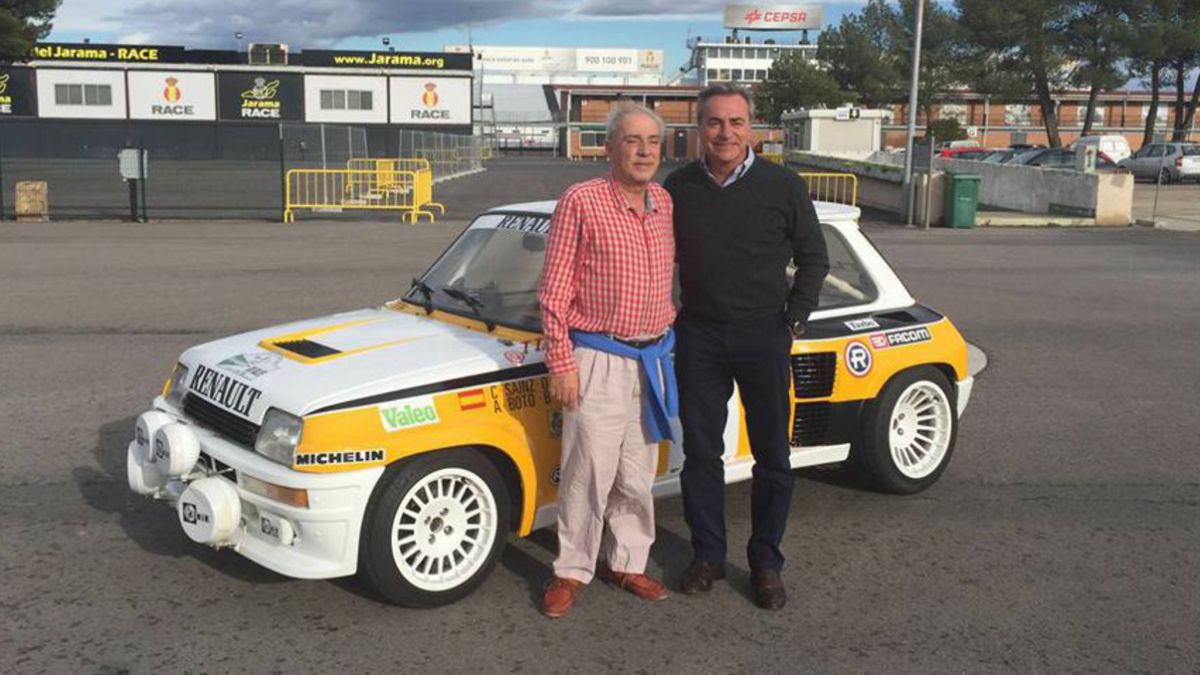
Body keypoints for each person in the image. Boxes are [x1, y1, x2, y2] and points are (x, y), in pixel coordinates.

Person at [663, 83, 829, 610]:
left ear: (751, 128)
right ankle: (708, 555)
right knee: (702, 455)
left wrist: (792, 321)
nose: (725, 133)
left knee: (772, 458)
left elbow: (814, 259)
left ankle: (765, 563)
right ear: (699, 129)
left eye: (735, 123)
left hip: (764, 334)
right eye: (714, 123)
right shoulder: (679, 186)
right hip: (700, 336)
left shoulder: (784, 186)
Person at [537, 101, 678, 619]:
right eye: (632, 141)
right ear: (609, 147)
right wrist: (562, 362)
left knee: (636, 474)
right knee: (586, 472)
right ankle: (571, 570)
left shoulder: (664, 202)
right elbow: (553, 291)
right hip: (597, 356)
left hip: (653, 360)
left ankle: (627, 560)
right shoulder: (581, 200)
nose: (643, 151)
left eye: (652, 143)